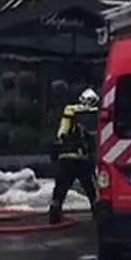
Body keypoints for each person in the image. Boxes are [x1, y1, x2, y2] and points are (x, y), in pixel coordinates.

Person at [48, 88, 100, 224]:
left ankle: (54, 215)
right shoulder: (94, 116)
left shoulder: (70, 112)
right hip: (83, 160)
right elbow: (94, 140)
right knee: (91, 190)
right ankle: (98, 216)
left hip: (65, 159)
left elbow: (61, 136)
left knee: (60, 189)